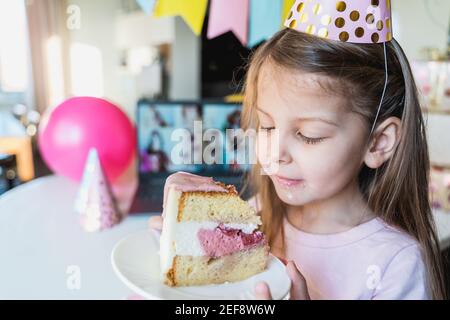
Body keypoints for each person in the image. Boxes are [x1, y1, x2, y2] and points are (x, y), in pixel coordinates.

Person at [150, 1, 447, 299]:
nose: (276, 153)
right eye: (267, 127)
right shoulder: (260, 215)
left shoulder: (398, 266)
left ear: (378, 142)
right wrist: (177, 237)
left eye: (308, 135)